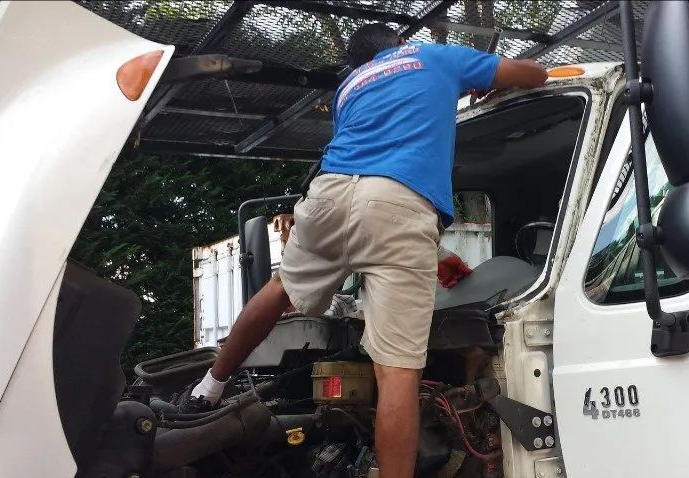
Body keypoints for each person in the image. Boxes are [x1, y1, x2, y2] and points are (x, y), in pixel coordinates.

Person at [187, 24, 548, 477]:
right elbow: (532, 74)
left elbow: (363, 200)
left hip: (326, 195)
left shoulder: (350, 87)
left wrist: (434, 260)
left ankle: (208, 388)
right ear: (398, 43)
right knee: (396, 371)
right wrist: (484, 79)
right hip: (398, 200)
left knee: (280, 288)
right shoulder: (432, 55)